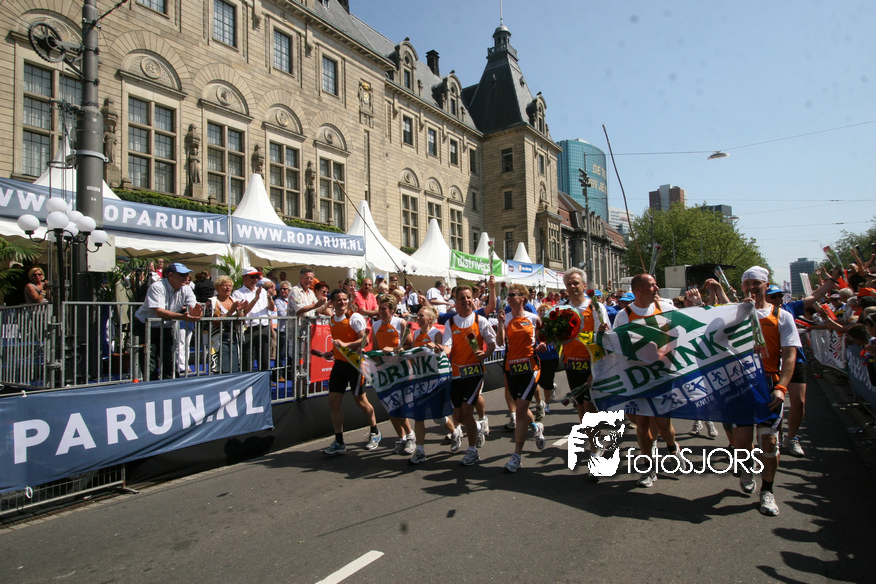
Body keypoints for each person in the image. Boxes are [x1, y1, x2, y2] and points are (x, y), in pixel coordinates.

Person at [728, 266, 801, 516]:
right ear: (742, 287)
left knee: (769, 441)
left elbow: (789, 356)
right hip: (741, 384)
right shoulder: (732, 315)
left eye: (756, 283)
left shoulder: (782, 316)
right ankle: (747, 466)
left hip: (769, 384)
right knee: (742, 443)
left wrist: (781, 387)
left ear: (766, 286)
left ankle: (767, 490)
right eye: (747, 284)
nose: (751, 288)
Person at [612, 273, 681, 488]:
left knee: (663, 425)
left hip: (661, 376)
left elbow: (680, 337)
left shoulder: (666, 309)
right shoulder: (624, 315)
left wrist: (665, 356)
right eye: (652, 285)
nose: (657, 288)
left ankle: (672, 447)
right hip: (637, 378)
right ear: (638, 290)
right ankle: (648, 467)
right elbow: (618, 345)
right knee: (641, 423)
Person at [318, 288, 382, 455]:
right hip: (339, 364)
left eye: (345, 299)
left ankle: (375, 431)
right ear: (332, 302)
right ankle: (339, 442)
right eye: (339, 300)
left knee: (361, 401)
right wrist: (332, 352)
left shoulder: (354, 318)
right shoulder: (333, 319)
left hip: (355, 365)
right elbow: (339, 342)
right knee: (333, 402)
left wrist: (346, 345)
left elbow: (364, 340)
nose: (342, 302)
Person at [442, 285, 497, 466]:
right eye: (462, 298)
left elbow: (492, 343)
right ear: (456, 303)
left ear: (472, 300)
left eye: (468, 297)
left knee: (466, 412)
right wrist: (441, 350)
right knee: (458, 417)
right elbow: (448, 346)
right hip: (456, 374)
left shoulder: (480, 320)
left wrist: (486, 354)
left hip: (474, 372)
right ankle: (478, 426)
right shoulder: (451, 323)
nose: (466, 301)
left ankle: (472, 451)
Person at [496, 283, 547, 472]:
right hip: (511, 367)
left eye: (513, 295)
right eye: (508, 295)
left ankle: (516, 455)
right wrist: (500, 323)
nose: (509, 298)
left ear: (522, 297)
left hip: (530, 368)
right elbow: (500, 342)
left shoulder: (533, 318)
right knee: (520, 408)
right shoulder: (506, 317)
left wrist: (543, 345)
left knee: (520, 411)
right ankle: (536, 427)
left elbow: (543, 338)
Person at [134, 262, 203, 381]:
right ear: (170, 275)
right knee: (149, 362)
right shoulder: (157, 287)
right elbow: (159, 312)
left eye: (187, 274)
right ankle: (150, 387)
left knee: (169, 360)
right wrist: (183, 317)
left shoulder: (186, 289)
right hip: (145, 326)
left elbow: (195, 310)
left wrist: (197, 313)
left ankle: (171, 386)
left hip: (166, 326)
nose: (186, 277)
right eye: (182, 274)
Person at [407, 305, 457, 464]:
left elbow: (440, 352)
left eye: (421, 316)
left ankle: (455, 433)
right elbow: (413, 355)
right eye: (417, 316)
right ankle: (420, 451)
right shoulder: (415, 333)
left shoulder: (436, 334)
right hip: (421, 380)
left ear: (429, 319)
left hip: (435, 380)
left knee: (438, 417)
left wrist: (435, 347)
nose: (418, 318)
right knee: (419, 416)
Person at [560, 267, 610, 425]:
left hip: (591, 364)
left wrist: (597, 368)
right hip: (571, 363)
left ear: (584, 285)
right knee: (581, 407)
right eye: (569, 284)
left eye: (576, 283)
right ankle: (592, 437)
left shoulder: (596, 307)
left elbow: (604, 339)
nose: (572, 287)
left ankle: (594, 440)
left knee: (589, 408)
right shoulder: (562, 309)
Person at [372, 294, 416, 455]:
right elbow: (375, 349)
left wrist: (395, 350)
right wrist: (372, 358)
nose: (380, 311)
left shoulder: (401, 323)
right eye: (379, 308)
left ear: (392, 310)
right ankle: (402, 438)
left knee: (399, 405)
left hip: (401, 370)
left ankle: (410, 436)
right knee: (390, 407)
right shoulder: (375, 325)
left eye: (384, 309)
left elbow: (410, 345)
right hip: (385, 372)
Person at [233, 267, 274, 372]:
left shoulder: (263, 291)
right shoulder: (238, 293)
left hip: (264, 326)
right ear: (244, 278)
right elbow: (243, 312)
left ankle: (265, 378)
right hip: (249, 328)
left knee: (265, 357)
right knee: (247, 357)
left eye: (257, 277)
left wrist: (269, 297)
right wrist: (256, 298)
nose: (255, 279)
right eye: (252, 277)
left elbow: (271, 308)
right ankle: (247, 379)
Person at [210, 275, 241, 373]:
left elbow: (241, 320)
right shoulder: (212, 302)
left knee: (234, 366)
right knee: (220, 367)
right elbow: (215, 322)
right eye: (225, 285)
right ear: (218, 288)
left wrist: (240, 311)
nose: (228, 288)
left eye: (230, 286)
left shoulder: (235, 300)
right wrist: (230, 312)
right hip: (218, 338)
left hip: (234, 337)